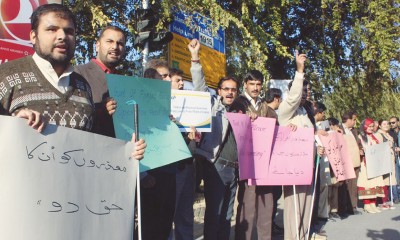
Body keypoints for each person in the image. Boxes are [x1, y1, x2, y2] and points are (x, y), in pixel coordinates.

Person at [0, 4, 145, 161]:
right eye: (52, 29)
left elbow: (92, 145)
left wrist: (126, 152)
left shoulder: (83, 86)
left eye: (69, 31)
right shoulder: (6, 74)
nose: (62, 36)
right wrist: (12, 125)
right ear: (33, 36)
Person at [190, 38, 239, 240]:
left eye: (233, 89)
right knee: (215, 215)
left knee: (227, 216)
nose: (229, 92)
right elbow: (200, 86)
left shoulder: (240, 110)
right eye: (226, 89)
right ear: (219, 91)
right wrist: (195, 58)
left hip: (234, 169)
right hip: (216, 166)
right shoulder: (212, 104)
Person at [277, 51, 325, 240]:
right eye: (303, 91)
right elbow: (293, 97)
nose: (306, 95)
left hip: (309, 164)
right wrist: (299, 70)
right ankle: (293, 237)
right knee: (294, 207)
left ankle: (303, 235)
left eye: (308, 92)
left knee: (307, 204)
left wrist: (317, 146)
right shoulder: (286, 110)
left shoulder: (305, 113)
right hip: (292, 166)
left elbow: (309, 136)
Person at [230, 70, 275, 240]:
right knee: (247, 206)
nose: (255, 88)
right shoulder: (238, 103)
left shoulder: (264, 106)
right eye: (252, 84)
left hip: (265, 164)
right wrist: (244, 118)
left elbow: (276, 126)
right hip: (246, 163)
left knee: (267, 205)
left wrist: (289, 127)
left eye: (258, 84)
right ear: (245, 85)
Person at [75, 25, 126, 137]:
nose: (115, 47)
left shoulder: (126, 82)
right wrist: (101, 110)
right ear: (97, 45)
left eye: (120, 43)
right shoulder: (78, 73)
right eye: (109, 41)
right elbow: (72, 116)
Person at [169, 67, 196, 240]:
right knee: (168, 213)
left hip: (188, 163)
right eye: (177, 80)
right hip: (169, 166)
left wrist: (194, 131)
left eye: (182, 81)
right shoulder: (159, 103)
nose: (181, 84)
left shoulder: (189, 102)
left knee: (186, 214)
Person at [357, 118, 385, 213]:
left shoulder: (373, 136)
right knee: (367, 183)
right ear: (365, 126)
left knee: (375, 183)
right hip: (366, 164)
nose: (371, 128)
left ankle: (373, 203)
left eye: (372, 126)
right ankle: (367, 204)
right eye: (369, 126)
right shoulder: (361, 136)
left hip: (374, 163)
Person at [338, 111, 362, 216]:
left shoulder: (354, 131)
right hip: (344, 162)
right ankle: (342, 208)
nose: (355, 122)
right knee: (343, 186)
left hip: (355, 161)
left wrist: (360, 149)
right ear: (348, 120)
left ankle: (353, 206)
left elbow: (359, 143)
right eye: (353, 119)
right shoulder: (338, 129)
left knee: (353, 185)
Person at [375, 119, 397, 208]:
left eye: (387, 124)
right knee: (384, 181)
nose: (387, 125)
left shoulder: (387, 134)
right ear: (380, 126)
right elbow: (379, 147)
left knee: (388, 181)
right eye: (384, 124)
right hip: (384, 160)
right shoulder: (379, 135)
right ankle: (383, 201)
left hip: (390, 159)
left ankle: (386, 200)